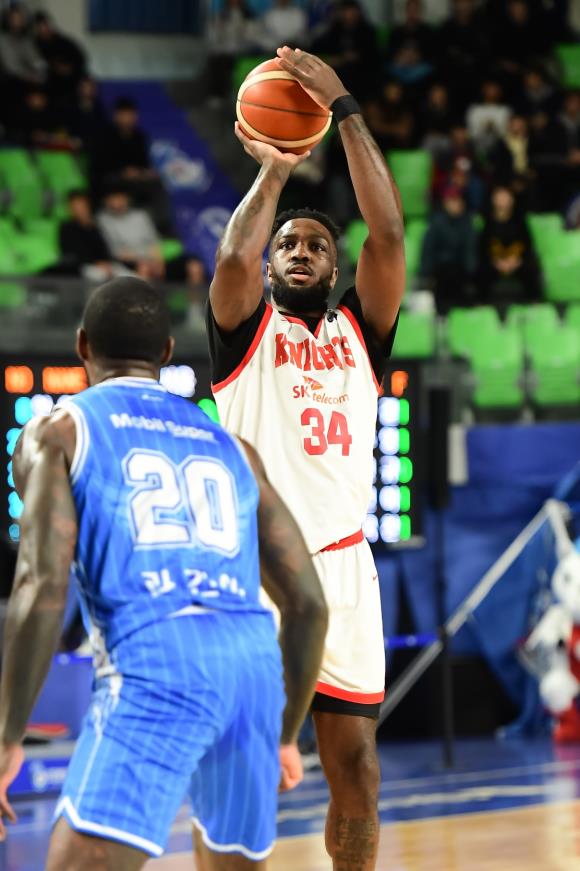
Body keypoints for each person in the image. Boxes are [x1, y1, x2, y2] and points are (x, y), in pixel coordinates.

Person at [0, 277, 328, 869]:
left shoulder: (60, 430)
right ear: (168, 353)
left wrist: (7, 735)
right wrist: (283, 734)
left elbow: (41, 586)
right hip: (252, 673)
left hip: (158, 662)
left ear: (82, 346)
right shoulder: (234, 448)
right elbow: (309, 604)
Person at [207, 47, 404, 871]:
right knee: (240, 768)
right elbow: (231, 261)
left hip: (345, 568)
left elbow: (388, 232)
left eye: (317, 245)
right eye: (288, 242)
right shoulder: (245, 330)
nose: (299, 250)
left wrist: (345, 109)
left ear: (334, 267)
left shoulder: (360, 331)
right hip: (258, 567)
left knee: (357, 767)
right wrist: (278, 169)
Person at [478, 185, 540, 306]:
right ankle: (482, 306)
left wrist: (517, 260)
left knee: (531, 269)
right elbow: (483, 248)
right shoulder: (487, 222)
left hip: (516, 261)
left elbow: (527, 245)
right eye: (499, 197)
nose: (503, 200)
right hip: (496, 262)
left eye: (506, 197)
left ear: (512, 200)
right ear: (493, 200)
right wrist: (496, 262)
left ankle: (534, 305)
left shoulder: (520, 221)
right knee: (482, 270)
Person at [419, 187, 478, 312]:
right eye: (452, 201)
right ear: (445, 203)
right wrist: (426, 273)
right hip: (440, 273)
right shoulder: (436, 223)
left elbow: (470, 252)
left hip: (460, 273)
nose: (455, 205)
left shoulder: (468, 223)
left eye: (458, 201)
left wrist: (471, 274)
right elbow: (428, 250)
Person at [57, 190, 127, 282]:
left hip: (105, 264)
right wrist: (96, 263)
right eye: (75, 206)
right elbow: (72, 253)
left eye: (81, 205)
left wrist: (106, 263)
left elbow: (104, 248)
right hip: (82, 267)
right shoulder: (67, 228)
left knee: (128, 276)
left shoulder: (95, 226)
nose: (79, 208)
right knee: (100, 275)